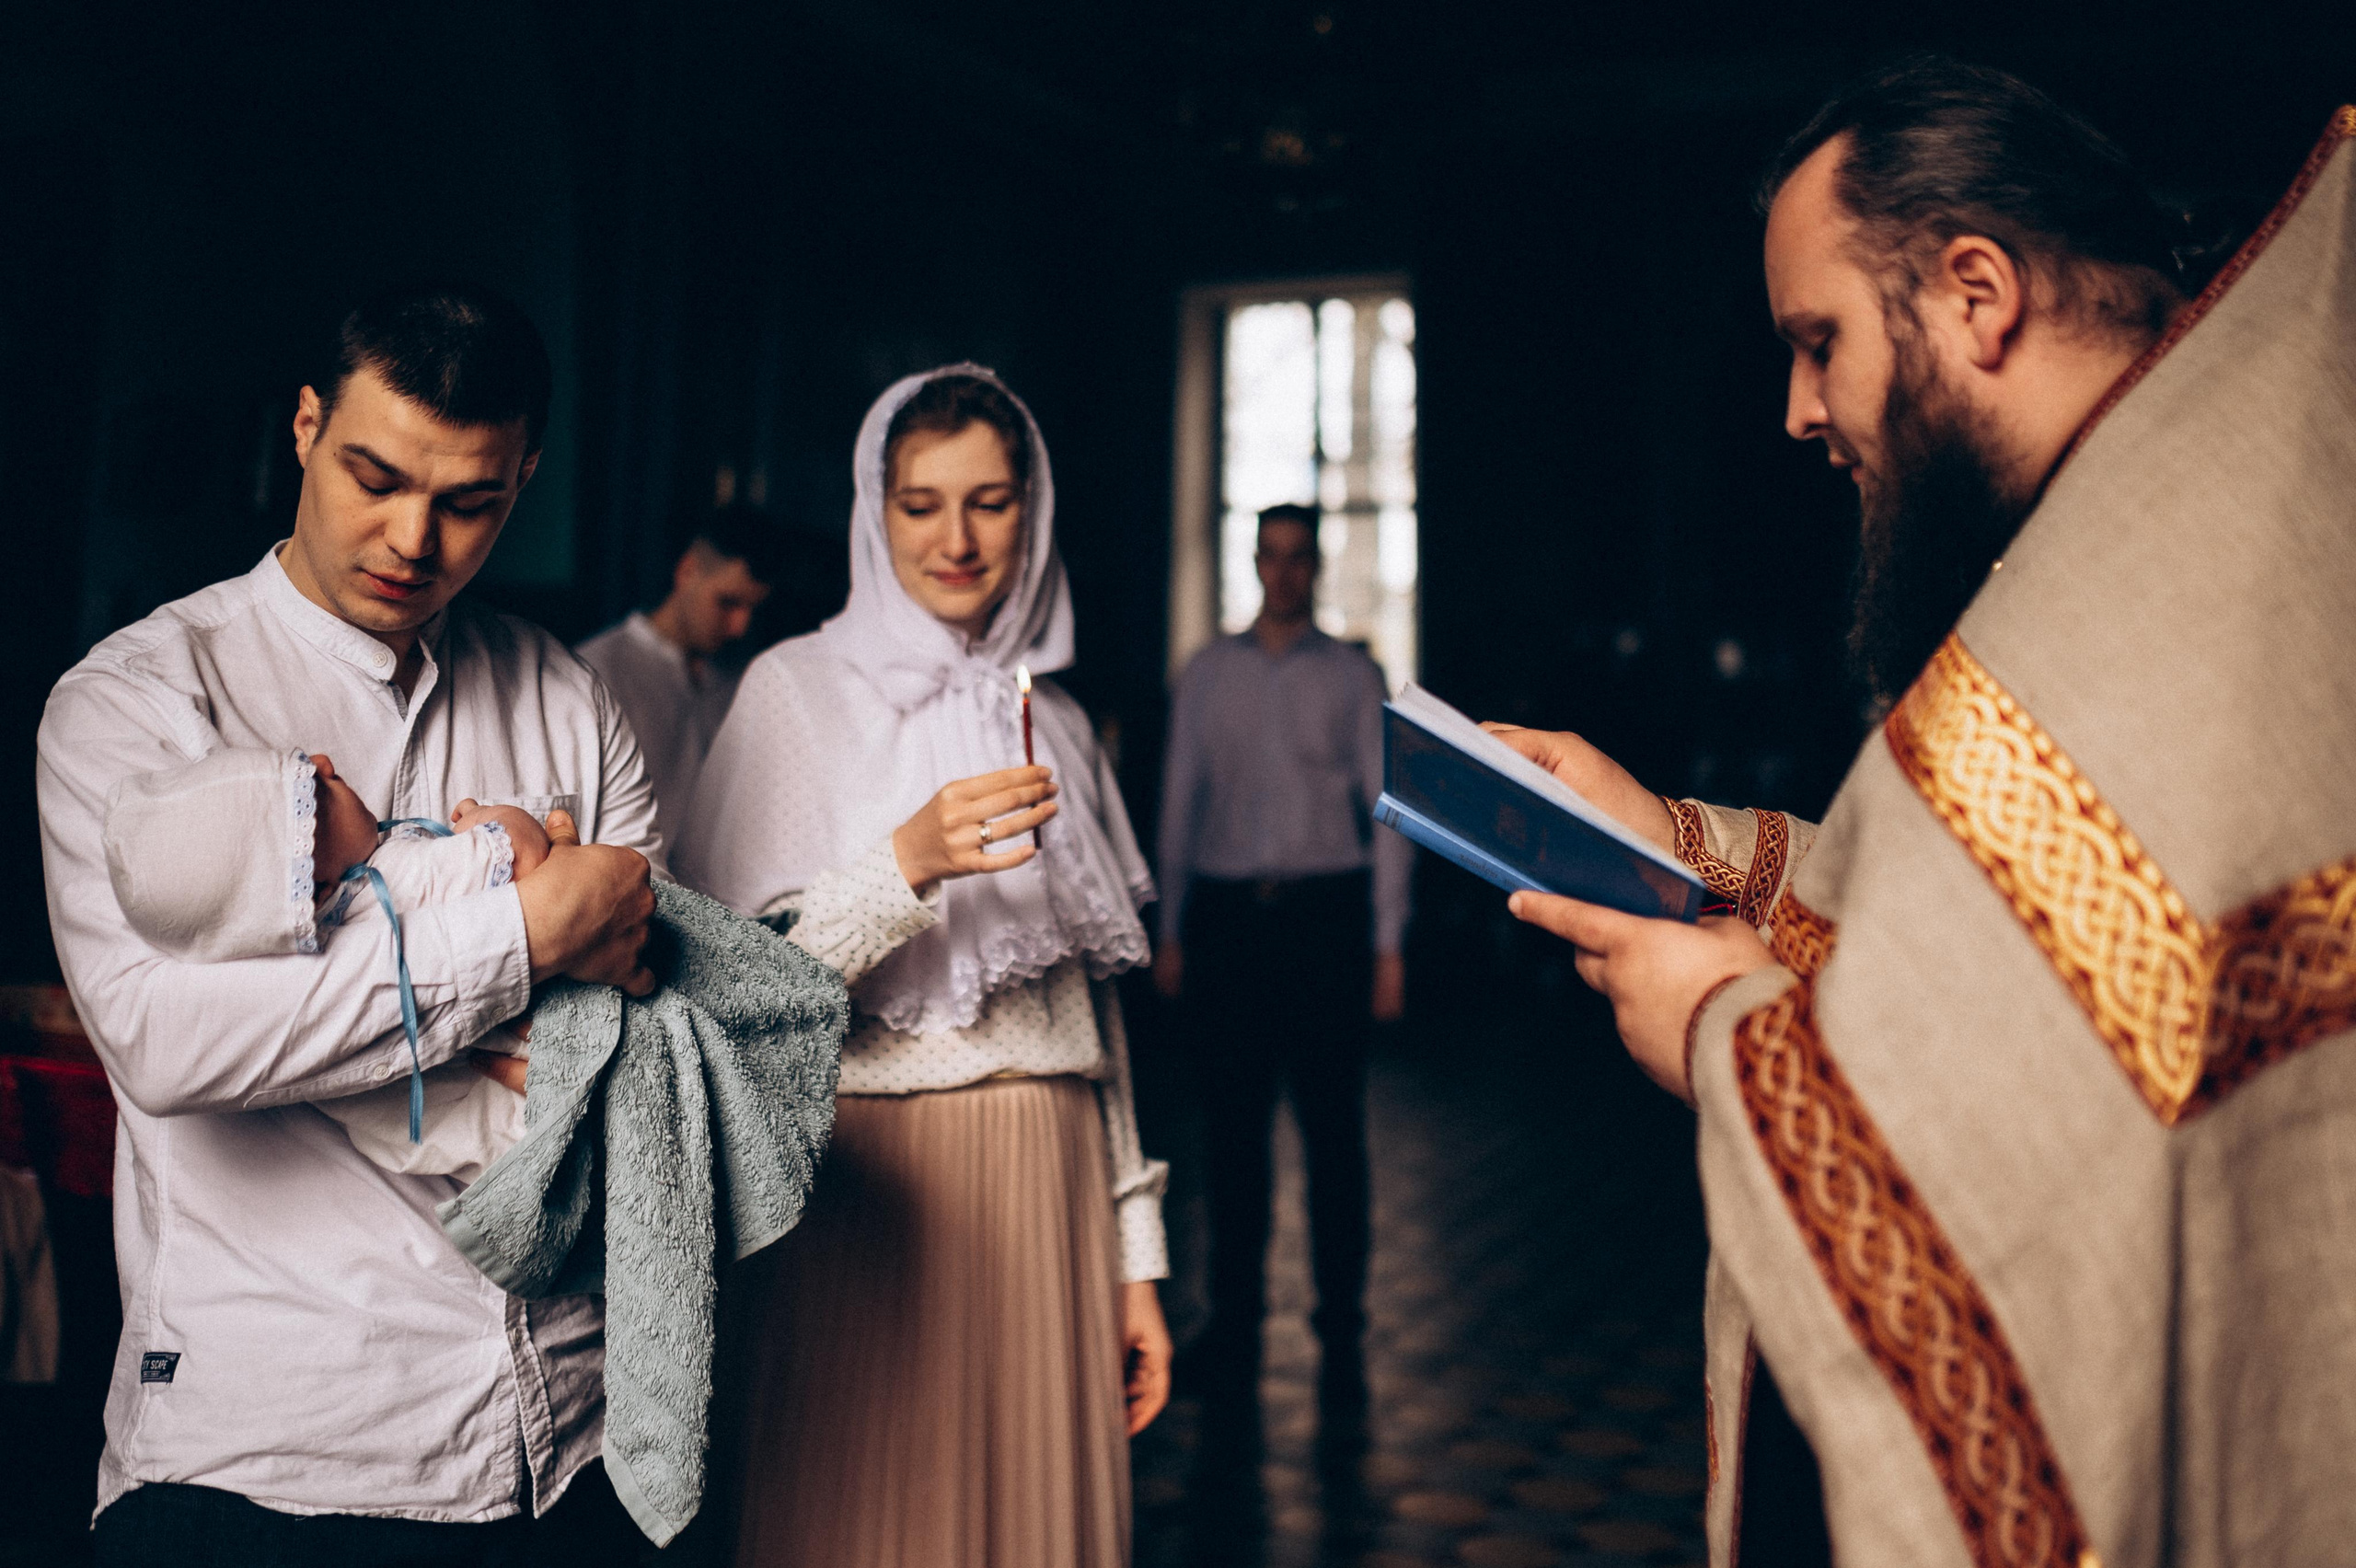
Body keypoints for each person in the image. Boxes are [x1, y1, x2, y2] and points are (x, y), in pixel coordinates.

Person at [1496, 58, 2356, 1565]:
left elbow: (2031, 1120)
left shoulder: (2165, 588)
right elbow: (2030, 931)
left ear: (1976, 292)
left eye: (1818, 341)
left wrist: (1730, 1037)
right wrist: (1683, 844)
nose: (1797, 408)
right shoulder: (2125, 521)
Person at [38, 282, 661, 1565]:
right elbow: (173, 1046)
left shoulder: (568, 699)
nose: (412, 539)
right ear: (307, 428)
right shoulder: (139, 706)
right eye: (375, 476)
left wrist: (322, 1000)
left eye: (469, 502)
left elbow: (652, 1032)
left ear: (524, 478)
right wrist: (528, 937)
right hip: (275, 1448)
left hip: (569, 1444)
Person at [675, 364, 1171, 1567]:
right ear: (873, 509)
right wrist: (906, 861)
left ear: (1032, 512)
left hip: (1053, 1186)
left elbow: (1091, 1021)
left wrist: (1136, 1261)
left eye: (990, 502)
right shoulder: (795, 691)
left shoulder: (1055, 717)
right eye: (921, 502)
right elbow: (726, 992)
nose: (957, 537)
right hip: (875, 1193)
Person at [1154, 501, 1410, 1415]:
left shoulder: (1352, 676)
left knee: (1334, 1132)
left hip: (1324, 919)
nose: (1286, 572)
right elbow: (1177, 808)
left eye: (1302, 558)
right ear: (1255, 563)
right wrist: (1170, 930)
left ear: (1315, 567)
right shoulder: (1206, 674)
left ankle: (1340, 1322)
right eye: (1274, 557)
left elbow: (1389, 816)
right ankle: (1234, 1316)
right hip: (1227, 922)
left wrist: (1388, 944)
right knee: (1232, 1135)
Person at [99, 745, 563, 1183]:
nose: (324, 763)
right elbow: (528, 865)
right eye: (314, 794)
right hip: (539, 1088)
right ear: (317, 889)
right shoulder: (392, 888)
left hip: (481, 1142)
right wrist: (496, 820)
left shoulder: (314, 963)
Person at [576, 503, 780, 837]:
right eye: (728, 602)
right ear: (687, 572)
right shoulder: (596, 673)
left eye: (751, 609)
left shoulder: (744, 676)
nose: (740, 627)